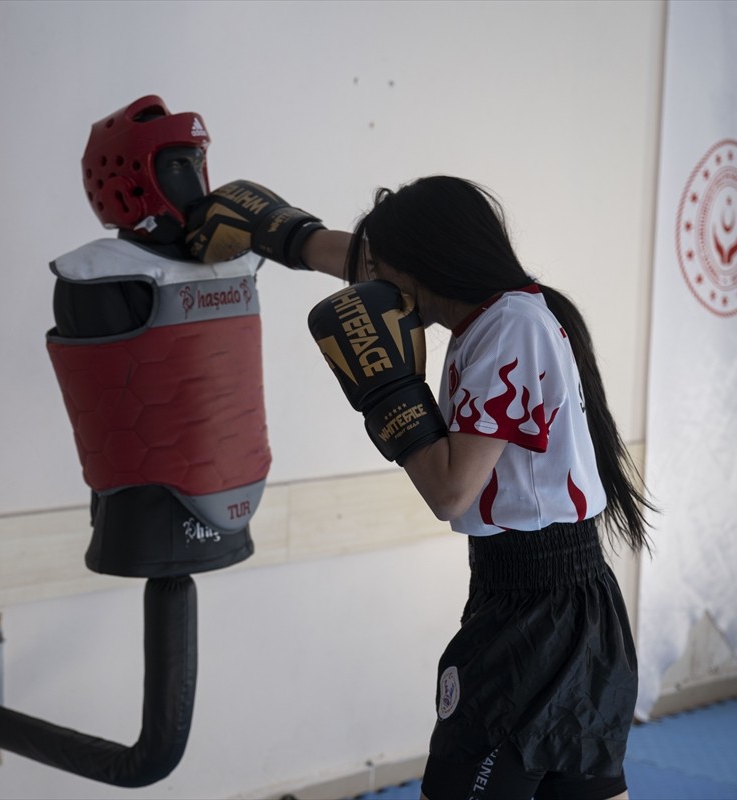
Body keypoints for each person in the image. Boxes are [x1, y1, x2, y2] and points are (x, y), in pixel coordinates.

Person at [187, 177, 655, 800]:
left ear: (427, 262)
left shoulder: (510, 328)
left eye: (384, 267)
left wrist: (389, 395)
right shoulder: (508, 310)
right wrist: (279, 234)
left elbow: (451, 492)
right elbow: (354, 258)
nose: (373, 284)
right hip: (564, 602)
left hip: (534, 616)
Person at [45, 97, 273, 579]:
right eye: (175, 166)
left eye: (197, 163)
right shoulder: (100, 276)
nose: (194, 183)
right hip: (145, 511)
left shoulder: (239, 260)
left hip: (233, 479)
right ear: (126, 181)